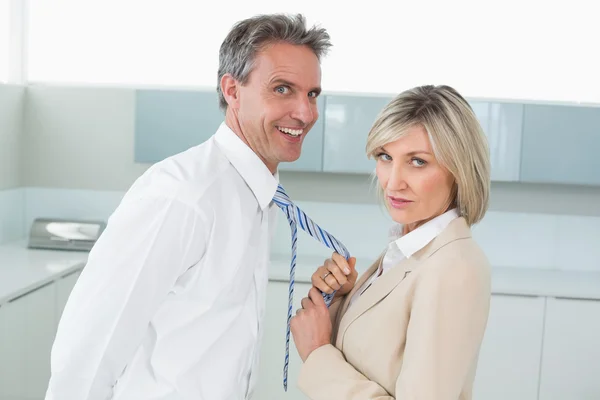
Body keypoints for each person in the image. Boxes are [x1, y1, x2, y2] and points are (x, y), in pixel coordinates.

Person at [45, 13, 332, 400]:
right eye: (282, 89)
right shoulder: (184, 195)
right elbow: (89, 349)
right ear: (232, 90)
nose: (305, 113)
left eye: (312, 93)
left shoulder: (259, 194)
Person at [290, 84, 492, 400]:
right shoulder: (408, 248)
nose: (393, 182)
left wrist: (317, 353)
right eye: (386, 156)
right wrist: (344, 302)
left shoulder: (453, 269)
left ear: (459, 169)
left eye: (418, 161)